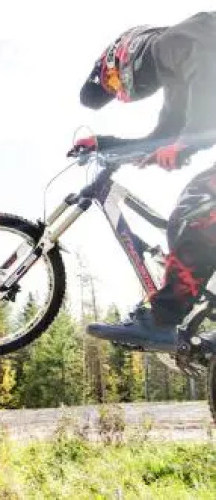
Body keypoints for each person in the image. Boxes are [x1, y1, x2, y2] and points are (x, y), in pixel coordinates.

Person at [69, 11, 216, 352]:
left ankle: (161, 321)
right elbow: (161, 138)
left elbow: (207, 62)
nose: (122, 92)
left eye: (114, 82)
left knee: (198, 207)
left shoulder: (172, 41)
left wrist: (188, 141)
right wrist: (103, 144)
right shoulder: (178, 81)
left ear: (124, 54)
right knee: (189, 220)